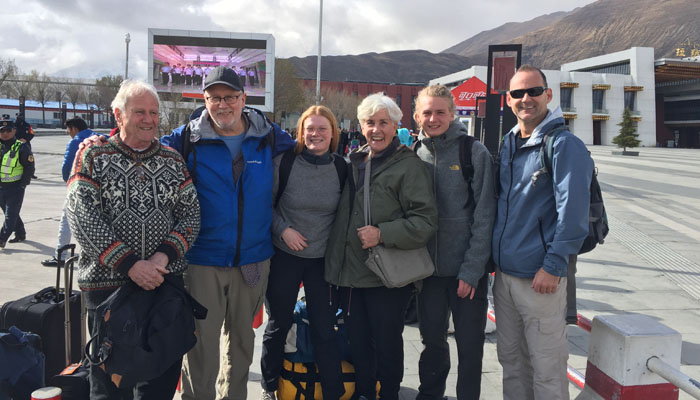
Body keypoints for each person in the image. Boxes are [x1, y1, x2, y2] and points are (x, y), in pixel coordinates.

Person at [160, 66, 295, 400]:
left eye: (230, 97)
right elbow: (146, 147)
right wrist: (103, 140)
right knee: (202, 344)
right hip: (203, 259)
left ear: (243, 99)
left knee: (241, 343)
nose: (223, 105)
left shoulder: (270, 136)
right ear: (205, 100)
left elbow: (309, 147)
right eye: (214, 98)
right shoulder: (187, 139)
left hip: (253, 259)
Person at [66, 79, 201, 399]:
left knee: (160, 378)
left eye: (154, 112)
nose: (149, 119)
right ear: (118, 115)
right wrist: (129, 264)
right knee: (110, 381)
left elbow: (191, 215)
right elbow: (81, 216)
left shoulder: (172, 159)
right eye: (139, 111)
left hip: (163, 286)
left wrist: (161, 258)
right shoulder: (93, 154)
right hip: (108, 290)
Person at [325, 93, 438, 400]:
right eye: (370, 122)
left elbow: (425, 221)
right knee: (358, 341)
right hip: (351, 273)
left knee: (387, 342)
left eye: (383, 123)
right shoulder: (356, 160)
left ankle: (388, 393)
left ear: (396, 125)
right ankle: (364, 392)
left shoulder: (408, 167)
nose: (376, 129)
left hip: (385, 275)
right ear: (361, 125)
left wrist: (383, 233)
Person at [492, 65, 592, 400]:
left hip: (540, 278)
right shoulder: (509, 142)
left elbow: (573, 214)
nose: (526, 99)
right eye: (518, 93)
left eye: (534, 91)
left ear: (548, 95)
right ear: (508, 100)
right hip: (505, 276)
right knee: (511, 360)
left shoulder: (564, 145)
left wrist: (553, 265)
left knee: (547, 367)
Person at [413, 84, 496, 400]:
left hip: (466, 274)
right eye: (427, 112)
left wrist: (471, 271)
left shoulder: (473, 152)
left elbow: (485, 216)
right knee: (432, 342)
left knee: (470, 347)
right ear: (418, 115)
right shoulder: (414, 152)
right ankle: (430, 394)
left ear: (452, 113)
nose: (433, 119)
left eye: (440, 112)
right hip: (428, 274)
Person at [260, 105, 346, 400]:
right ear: (300, 132)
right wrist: (283, 229)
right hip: (284, 254)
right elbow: (264, 205)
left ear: (333, 132)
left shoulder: (341, 167)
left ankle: (332, 391)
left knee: (324, 327)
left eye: (322, 128)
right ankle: (270, 386)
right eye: (310, 128)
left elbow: (346, 215)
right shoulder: (284, 163)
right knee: (278, 323)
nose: (316, 134)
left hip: (322, 261)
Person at [42, 117, 98, 267]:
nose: (68, 133)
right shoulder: (99, 137)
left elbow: (66, 168)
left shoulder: (76, 142)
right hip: (98, 189)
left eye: (68, 130)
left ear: (73, 128)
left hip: (78, 187)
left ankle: (60, 255)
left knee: (66, 221)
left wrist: (70, 182)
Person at [0, 118, 34, 249]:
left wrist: (23, 184)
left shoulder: (21, 147)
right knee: (12, 213)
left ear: (14, 131)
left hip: (15, 187)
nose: (5, 133)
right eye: (2, 131)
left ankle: (2, 238)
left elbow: (29, 167)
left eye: (8, 130)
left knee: (10, 215)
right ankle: (20, 233)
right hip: (2, 187)